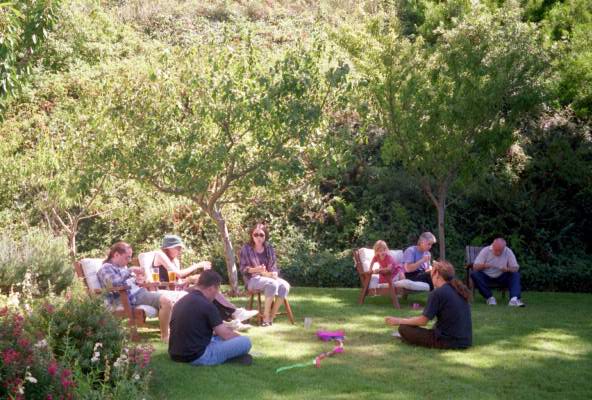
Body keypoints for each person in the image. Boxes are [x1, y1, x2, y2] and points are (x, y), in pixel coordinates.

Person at [151, 234, 258, 329]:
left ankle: (231, 318)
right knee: (206, 289)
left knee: (209, 287)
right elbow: (178, 273)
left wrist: (190, 279)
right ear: (168, 247)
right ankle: (233, 314)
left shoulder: (175, 260)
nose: (180, 250)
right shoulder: (160, 255)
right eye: (177, 248)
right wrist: (198, 265)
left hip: (176, 290)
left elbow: (177, 280)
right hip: (163, 293)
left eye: (180, 248)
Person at [169, 270, 253, 366]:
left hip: (175, 354)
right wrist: (238, 339)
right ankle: (235, 356)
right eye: (217, 290)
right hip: (197, 356)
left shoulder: (181, 301)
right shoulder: (207, 305)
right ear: (212, 288)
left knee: (216, 338)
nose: (217, 293)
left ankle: (234, 355)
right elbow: (226, 335)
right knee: (245, 341)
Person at [385, 261, 472, 349]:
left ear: (437, 274)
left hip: (446, 341)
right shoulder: (458, 289)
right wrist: (409, 320)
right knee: (415, 324)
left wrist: (399, 321)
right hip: (465, 341)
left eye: (431, 273)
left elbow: (423, 321)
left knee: (404, 328)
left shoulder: (438, 293)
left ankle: (406, 336)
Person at [97, 242, 173, 342]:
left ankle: (169, 333)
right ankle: (165, 336)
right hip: (131, 297)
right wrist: (130, 270)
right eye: (127, 257)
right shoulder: (105, 268)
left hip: (139, 293)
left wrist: (138, 280)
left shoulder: (122, 267)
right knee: (166, 301)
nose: (129, 260)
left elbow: (129, 282)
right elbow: (113, 283)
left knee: (170, 301)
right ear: (116, 255)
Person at [239, 223, 290, 327]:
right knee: (272, 284)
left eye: (261, 235)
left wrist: (274, 272)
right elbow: (243, 269)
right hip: (252, 279)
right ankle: (265, 317)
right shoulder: (246, 248)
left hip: (267, 276)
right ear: (252, 235)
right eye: (256, 234)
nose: (258, 237)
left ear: (265, 236)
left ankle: (271, 316)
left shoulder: (269, 248)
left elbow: (273, 266)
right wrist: (255, 269)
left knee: (285, 286)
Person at [470, 238, 525, 307]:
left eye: (500, 251)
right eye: (496, 250)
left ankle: (514, 299)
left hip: (501, 276)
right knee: (474, 274)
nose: (498, 253)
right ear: (492, 246)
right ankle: (490, 298)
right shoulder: (485, 251)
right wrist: (484, 265)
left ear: (504, 248)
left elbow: (516, 268)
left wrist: (507, 269)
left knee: (515, 274)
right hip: (486, 276)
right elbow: (475, 267)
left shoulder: (508, 251)